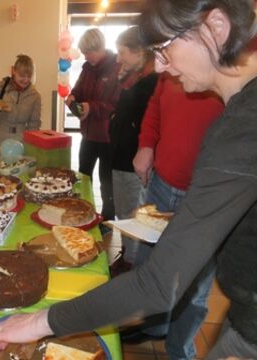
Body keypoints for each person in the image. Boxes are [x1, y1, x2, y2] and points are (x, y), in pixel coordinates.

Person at [0, 1, 257, 359]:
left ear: (215, 25)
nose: (162, 67)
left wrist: (37, 322)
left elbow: (157, 285)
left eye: (165, 50)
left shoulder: (248, 124)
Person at [121, 73, 224, 358]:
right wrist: (146, 144)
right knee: (149, 263)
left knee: (195, 285)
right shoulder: (171, 63)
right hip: (162, 183)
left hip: (207, 196)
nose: (161, 63)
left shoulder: (249, 55)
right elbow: (156, 105)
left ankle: (179, 350)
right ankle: (154, 327)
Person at [108, 26, 158, 276]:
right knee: (124, 211)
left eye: (122, 52)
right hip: (121, 157)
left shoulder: (152, 83)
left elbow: (147, 125)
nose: (118, 59)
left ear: (139, 53)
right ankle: (128, 256)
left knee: (133, 215)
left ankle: (131, 267)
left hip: (132, 162)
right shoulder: (134, 79)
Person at [66, 28, 121, 221]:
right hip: (88, 135)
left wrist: (92, 107)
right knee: (83, 178)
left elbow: (116, 105)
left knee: (107, 184)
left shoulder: (117, 67)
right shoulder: (87, 68)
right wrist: (73, 97)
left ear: (101, 47)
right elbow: (78, 90)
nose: (87, 56)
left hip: (108, 137)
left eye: (90, 52)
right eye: (84, 53)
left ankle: (106, 221)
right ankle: (83, 214)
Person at [0, 54, 41, 148]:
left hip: (19, 143)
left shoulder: (35, 96)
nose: (25, 80)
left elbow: (34, 125)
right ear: (14, 71)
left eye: (29, 76)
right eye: (22, 75)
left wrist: (32, 146)